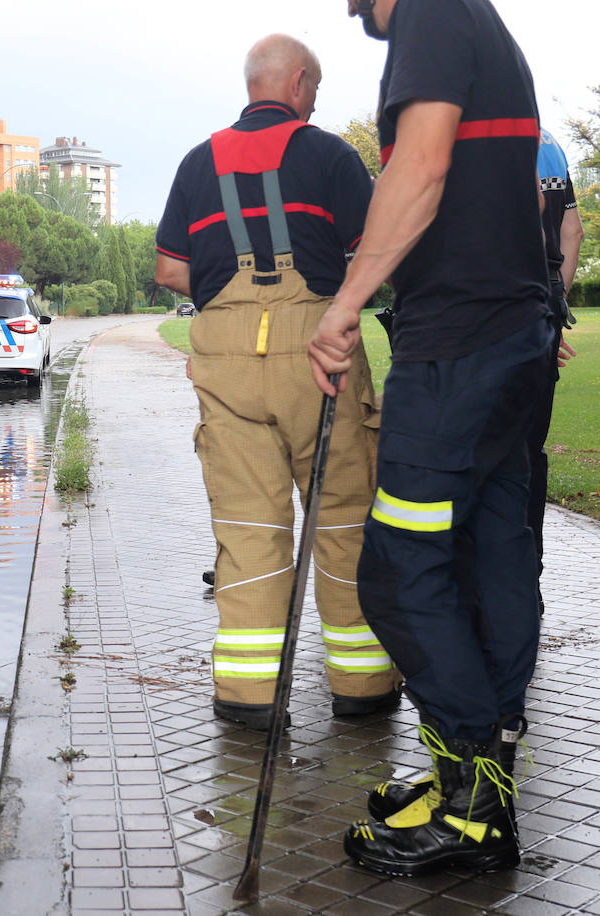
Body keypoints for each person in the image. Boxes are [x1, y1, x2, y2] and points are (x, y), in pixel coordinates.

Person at [309, 0, 554, 877]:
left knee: (401, 573)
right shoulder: (474, 22)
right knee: (483, 562)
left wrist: (344, 307)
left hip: (457, 352)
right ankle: (471, 785)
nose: (347, 4)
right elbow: (511, 189)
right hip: (502, 339)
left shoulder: (433, 10)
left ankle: (475, 805)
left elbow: (420, 165)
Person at [155, 34, 400, 732]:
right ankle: (361, 686)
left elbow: (171, 271)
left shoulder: (197, 162)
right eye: (315, 90)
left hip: (226, 362)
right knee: (345, 519)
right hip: (318, 352)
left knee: (247, 529)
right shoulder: (329, 156)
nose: (315, 101)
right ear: (297, 83)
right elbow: (371, 251)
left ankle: (248, 695)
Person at [528, 128, 584, 605]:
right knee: (531, 448)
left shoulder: (471, 132)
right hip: (542, 298)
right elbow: (573, 230)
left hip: (491, 302)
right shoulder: (550, 144)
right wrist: (555, 305)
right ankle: (530, 579)